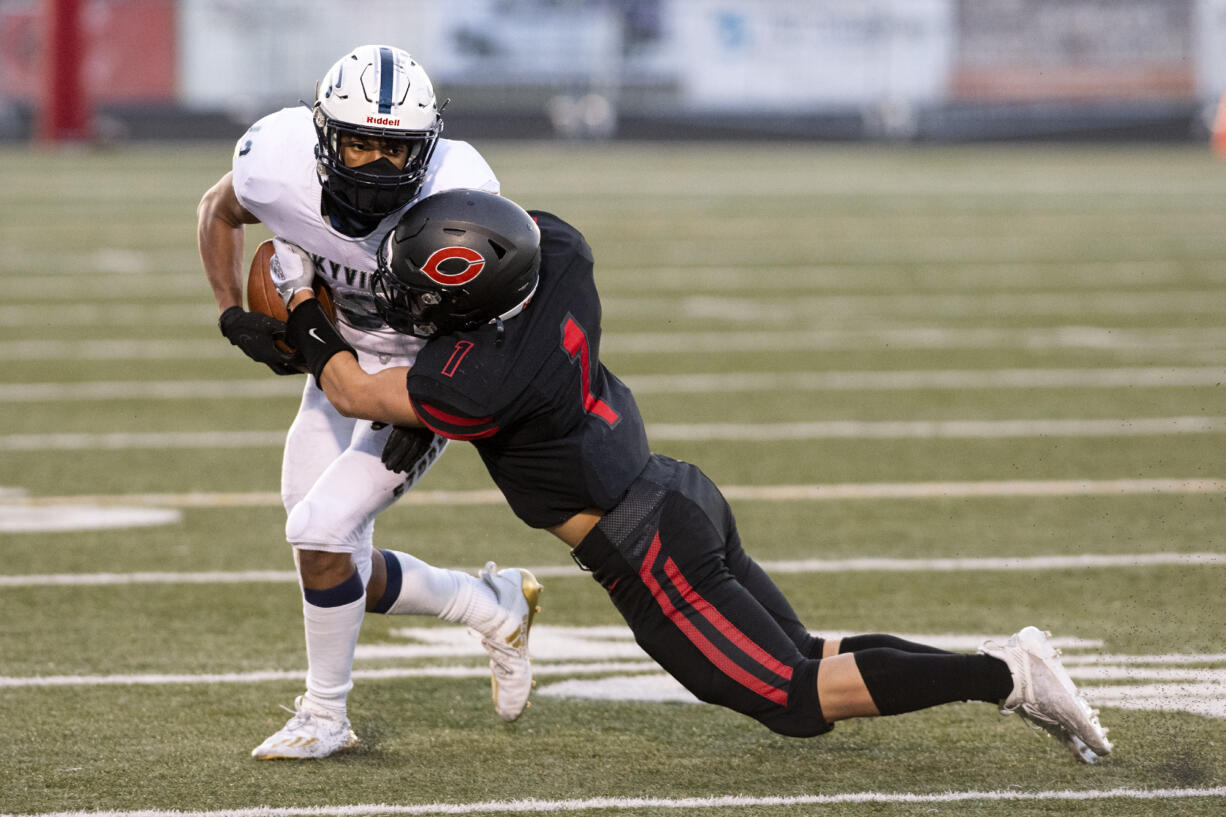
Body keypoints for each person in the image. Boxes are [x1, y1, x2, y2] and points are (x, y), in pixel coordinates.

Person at [275, 189, 1113, 764]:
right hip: (677, 493)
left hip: (647, 553)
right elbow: (512, 229)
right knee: (805, 654)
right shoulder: (558, 253)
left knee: (792, 697)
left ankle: (1006, 674)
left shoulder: (474, 384)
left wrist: (304, 305)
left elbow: (351, 387)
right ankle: (1006, 664)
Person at [195, 46, 542, 760]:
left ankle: (325, 714)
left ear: (427, 147)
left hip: (416, 371)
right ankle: (490, 603)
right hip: (337, 358)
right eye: (360, 142)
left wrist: (436, 405)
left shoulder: (461, 185)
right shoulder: (275, 160)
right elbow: (217, 208)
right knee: (321, 546)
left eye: (396, 149)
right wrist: (232, 311)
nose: (378, 166)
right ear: (324, 134)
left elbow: (493, 317)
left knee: (323, 530)